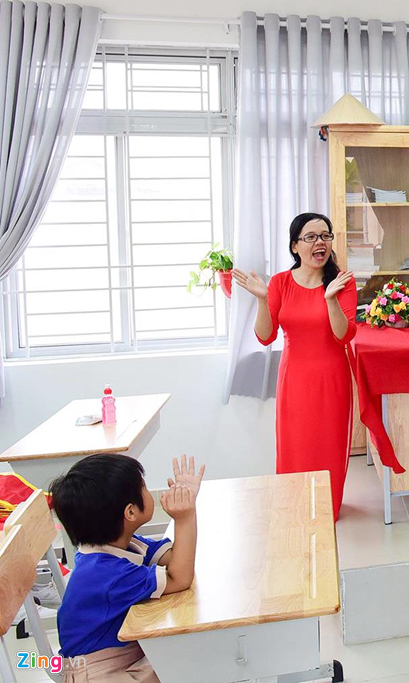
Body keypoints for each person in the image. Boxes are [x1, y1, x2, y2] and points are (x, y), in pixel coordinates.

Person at [234, 213, 357, 519]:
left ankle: (327, 508)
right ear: (295, 246)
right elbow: (265, 336)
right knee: (295, 447)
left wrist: (330, 300)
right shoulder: (279, 283)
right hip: (295, 379)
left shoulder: (343, 283)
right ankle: (294, 507)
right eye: (311, 236)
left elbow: (343, 335)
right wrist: (262, 300)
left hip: (332, 377)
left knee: (328, 444)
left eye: (325, 236)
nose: (320, 242)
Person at [51, 454, 204, 681]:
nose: (150, 490)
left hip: (119, 655)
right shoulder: (107, 574)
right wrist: (185, 517)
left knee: (188, 657)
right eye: (144, 486)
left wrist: (186, 505)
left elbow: (173, 560)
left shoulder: (118, 544)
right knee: (193, 661)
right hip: (96, 673)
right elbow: (179, 578)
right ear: (130, 512)